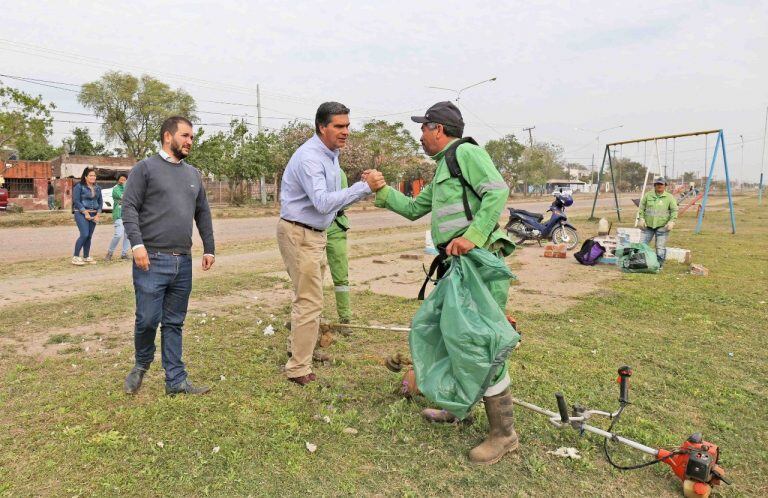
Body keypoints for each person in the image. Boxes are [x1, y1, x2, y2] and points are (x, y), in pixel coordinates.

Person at [366, 101, 517, 465]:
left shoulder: (465, 152)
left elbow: (497, 191)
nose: (420, 136)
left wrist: (475, 235)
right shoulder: (442, 170)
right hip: (457, 268)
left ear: (438, 129)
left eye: (423, 128)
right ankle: (456, 406)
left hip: (477, 266)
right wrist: (381, 190)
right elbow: (415, 209)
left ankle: (504, 435)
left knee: (482, 341)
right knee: (452, 336)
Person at [277, 101, 382, 386]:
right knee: (310, 301)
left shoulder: (331, 153)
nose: (346, 131)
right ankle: (298, 367)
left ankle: (300, 349)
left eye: (347, 125)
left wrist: (358, 185)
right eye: (339, 126)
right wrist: (364, 188)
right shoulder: (311, 157)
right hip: (300, 234)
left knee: (308, 297)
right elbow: (323, 202)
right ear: (322, 127)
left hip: (314, 234)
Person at [121, 116, 216, 396]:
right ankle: (141, 363)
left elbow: (203, 213)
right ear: (167, 136)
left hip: (182, 262)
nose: (189, 141)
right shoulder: (145, 169)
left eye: (192, 138)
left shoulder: (192, 174)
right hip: (151, 259)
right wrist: (136, 245)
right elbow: (129, 208)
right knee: (148, 319)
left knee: (174, 322)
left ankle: (176, 381)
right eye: (185, 136)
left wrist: (209, 247)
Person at [326, 169, 352, 325]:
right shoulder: (309, 169)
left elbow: (345, 201)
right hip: (312, 227)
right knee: (309, 276)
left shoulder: (339, 173)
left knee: (341, 275)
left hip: (336, 225)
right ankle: (307, 320)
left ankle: (345, 318)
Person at [638, 177, 678, 269]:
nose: (659, 186)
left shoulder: (669, 197)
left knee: (660, 247)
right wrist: (641, 218)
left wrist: (672, 221)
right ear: (654, 186)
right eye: (657, 184)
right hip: (647, 226)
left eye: (661, 184)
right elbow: (641, 208)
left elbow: (674, 210)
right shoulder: (648, 196)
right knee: (642, 245)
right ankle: (639, 263)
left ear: (665, 186)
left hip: (662, 227)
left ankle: (659, 265)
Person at [71, 168, 102, 266]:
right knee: (84, 234)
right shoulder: (79, 186)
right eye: (91, 175)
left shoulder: (98, 188)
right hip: (81, 213)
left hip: (94, 214)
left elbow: (100, 202)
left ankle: (86, 256)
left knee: (89, 236)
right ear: (85, 177)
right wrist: (85, 213)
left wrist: (98, 214)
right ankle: (75, 257)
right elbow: (76, 201)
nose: (93, 177)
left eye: (94, 175)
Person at [105, 173, 131, 261]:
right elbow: (124, 197)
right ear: (118, 180)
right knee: (118, 234)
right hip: (119, 214)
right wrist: (126, 186)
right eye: (121, 179)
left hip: (128, 214)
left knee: (128, 235)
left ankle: (124, 254)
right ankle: (110, 253)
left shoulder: (128, 188)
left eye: (125, 179)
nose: (123, 181)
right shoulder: (115, 189)